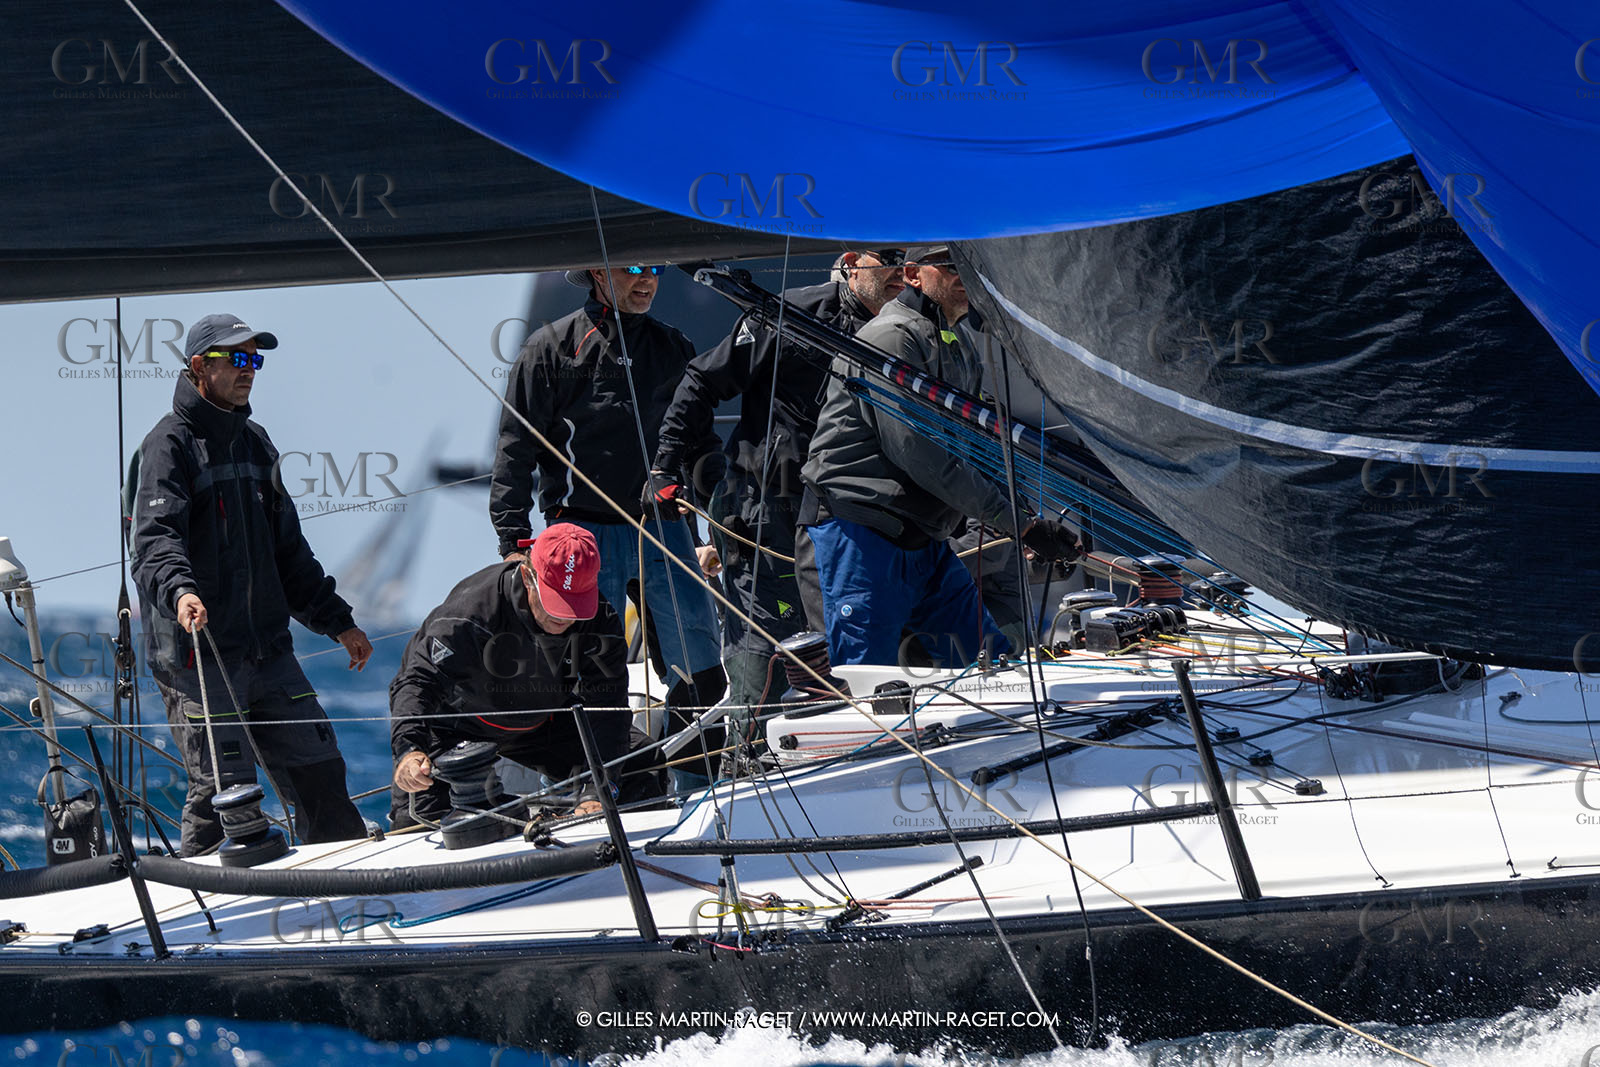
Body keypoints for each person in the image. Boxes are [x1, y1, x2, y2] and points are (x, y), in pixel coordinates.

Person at [129, 313, 370, 856]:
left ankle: (345, 899)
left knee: (321, 773)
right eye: (236, 359)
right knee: (224, 795)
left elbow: (288, 550)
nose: (249, 371)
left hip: (269, 652)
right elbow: (153, 543)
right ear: (199, 368)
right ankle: (201, 921)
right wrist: (181, 592)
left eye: (254, 360)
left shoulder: (257, 443)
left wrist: (338, 621)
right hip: (200, 655)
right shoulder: (167, 447)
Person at [490, 264, 726, 791]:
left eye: (655, 270)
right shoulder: (550, 347)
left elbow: (701, 442)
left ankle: (700, 786)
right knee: (593, 669)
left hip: (661, 527)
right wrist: (512, 540)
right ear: (598, 272)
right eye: (633, 269)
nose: (647, 280)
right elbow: (514, 449)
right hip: (581, 533)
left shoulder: (674, 345)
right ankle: (595, 790)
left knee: (700, 660)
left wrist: (713, 528)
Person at [647, 248, 906, 719]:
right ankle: (745, 764)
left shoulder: (907, 334)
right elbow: (702, 380)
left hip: (849, 512)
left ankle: (838, 747)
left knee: (845, 634)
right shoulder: (792, 314)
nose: (901, 270)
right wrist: (665, 466)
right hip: (766, 505)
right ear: (852, 261)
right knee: (765, 644)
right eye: (889, 257)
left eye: (909, 259)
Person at [800, 246, 1082, 668]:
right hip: (861, 534)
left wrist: (1025, 519)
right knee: (866, 682)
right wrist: (1020, 525)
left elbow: (971, 448)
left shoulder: (955, 342)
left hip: (923, 538)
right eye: (949, 265)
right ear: (913, 274)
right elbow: (917, 451)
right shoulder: (894, 335)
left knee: (988, 663)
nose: (962, 275)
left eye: (969, 265)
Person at [389, 524, 643, 827]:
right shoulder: (471, 613)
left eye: (574, 604)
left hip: (540, 722)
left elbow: (607, 706)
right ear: (527, 576)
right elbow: (418, 682)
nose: (563, 617)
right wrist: (408, 751)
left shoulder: (598, 618)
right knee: (416, 828)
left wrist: (596, 791)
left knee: (640, 764)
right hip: (457, 729)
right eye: (555, 603)